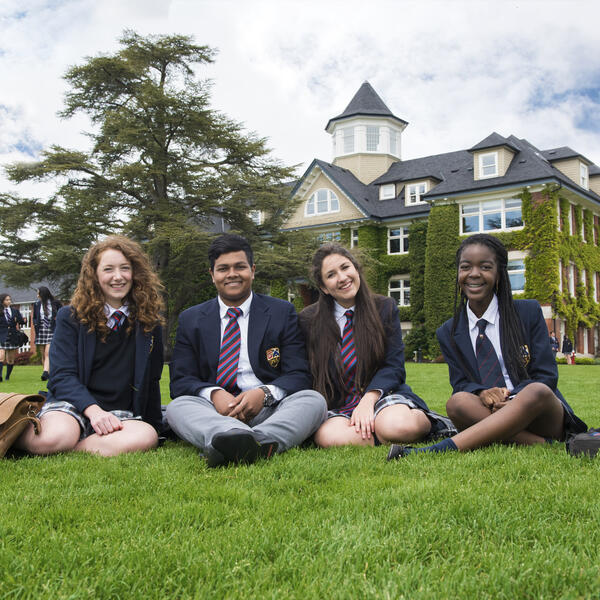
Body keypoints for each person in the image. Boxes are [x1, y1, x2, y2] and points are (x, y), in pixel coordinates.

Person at [388, 233, 587, 459]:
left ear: (499, 273)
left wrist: (512, 399)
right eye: (465, 267)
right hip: (489, 411)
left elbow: (547, 377)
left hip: (539, 412)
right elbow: (461, 383)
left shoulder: (528, 312)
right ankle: (542, 444)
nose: (474, 274)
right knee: (457, 402)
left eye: (485, 267)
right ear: (458, 273)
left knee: (536, 390)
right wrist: (483, 393)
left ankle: (434, 451)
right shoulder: (449, 332)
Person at [167, 233, 327, 467]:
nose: (232, 274)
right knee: (177, 407)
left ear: (252, 270)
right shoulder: (192, 319)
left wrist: (265, 393)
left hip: (269, 410)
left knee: (313, 400)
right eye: (223, 269)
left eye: (239, 267)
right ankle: (235, 437)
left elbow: (299, 375)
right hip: (214, 412)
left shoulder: (281, 312)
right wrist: (213, 394)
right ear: (212, 275)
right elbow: (180, 381)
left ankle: (249, 441)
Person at [16, 236, 165, 457]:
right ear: (94, 275)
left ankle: (74, 446)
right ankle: (26, 435)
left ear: (136, 274)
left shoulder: (149, 322)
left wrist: (155, 426)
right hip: (71, 405)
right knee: (54, 437)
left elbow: (152, 379)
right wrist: (93, 412)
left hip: (119, 412)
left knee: (146, 436)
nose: (118, 277)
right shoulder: (71, 316)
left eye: (125, 268)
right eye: (108, 269)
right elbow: (61, 376)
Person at [299, 243, 453, 447]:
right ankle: (377, 432)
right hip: (340, 405)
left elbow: (394, 365)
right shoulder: (308, 320)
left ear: (356, 269)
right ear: (324, 288)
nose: (342, 278)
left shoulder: (384, 307)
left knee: (398, 426)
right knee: (330, 438)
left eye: (345, 267)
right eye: (331, 275)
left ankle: (422, 424)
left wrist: (369, 400)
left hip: (382, 395)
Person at [32, 286, 62, 381]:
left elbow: (62, 314)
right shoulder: (37, 304)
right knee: (43, 353)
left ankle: (46, 372)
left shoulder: (55, 303)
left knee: (48, 353)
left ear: (43, 294)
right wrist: (35, 323)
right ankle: (46, 373)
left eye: (38, 293)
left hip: (52, 329)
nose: (37, 296)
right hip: (41, 330)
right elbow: (35, 317)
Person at [0, 293, 26, 382]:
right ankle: (0, 376)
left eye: (9, 300)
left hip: (12, 336)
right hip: (1, 335)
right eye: (6, 300)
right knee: (1, 357)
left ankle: (7, 377)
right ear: (2, 301)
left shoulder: (15, 311)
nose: (9, 301)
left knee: (10, 359)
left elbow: (21, 321)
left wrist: (22, 320)